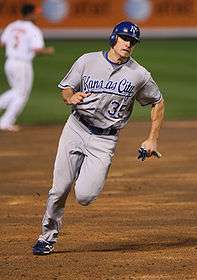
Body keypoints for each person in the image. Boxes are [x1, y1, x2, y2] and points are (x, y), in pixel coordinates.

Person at [32, 21, 165, 255]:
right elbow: (66, 87)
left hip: (105, 140)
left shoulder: (139, 74)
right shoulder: (87, 60)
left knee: (85, 196)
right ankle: (47, 237)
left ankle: (84, 176)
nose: (128, 44)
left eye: (132, 41)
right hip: (76, 128)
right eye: (124, 38)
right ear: (114, 38)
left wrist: (152, 138)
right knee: (59, 188)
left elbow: (158, 101)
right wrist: (69, 98)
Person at [0, 3, 54, 132]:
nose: (37, 15)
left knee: (16, 91)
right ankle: (5, 122)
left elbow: (2, 43)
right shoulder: (33, 29)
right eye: (36, 13)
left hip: (10, 63)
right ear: (30, 14)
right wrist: (48, 51)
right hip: (22, 64)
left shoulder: (12, 25)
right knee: (21, 94)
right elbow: (37, 50)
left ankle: (5, 121)